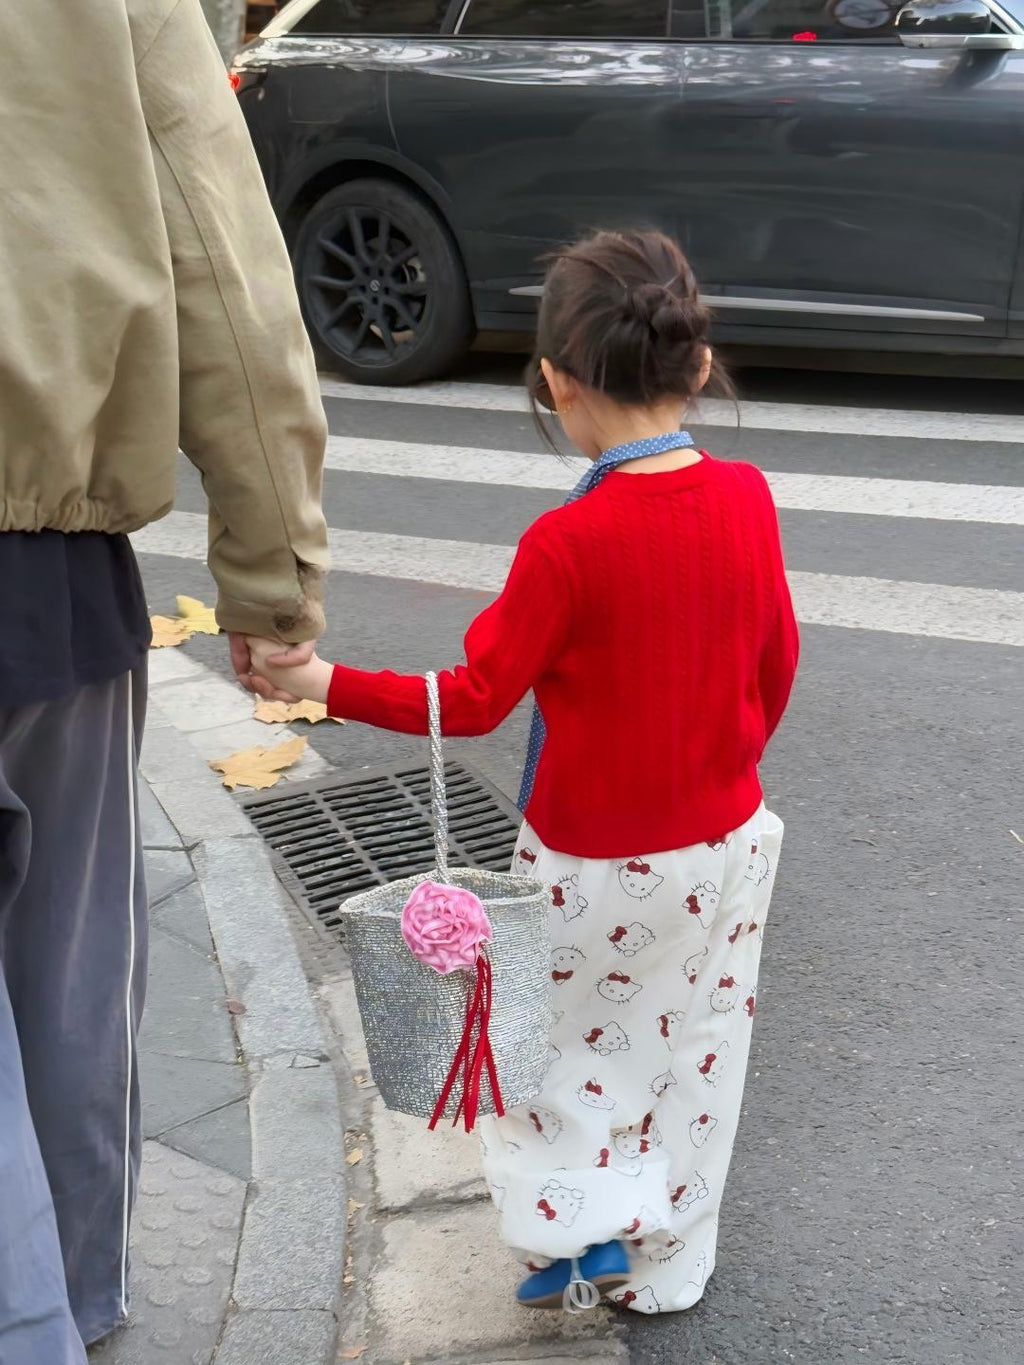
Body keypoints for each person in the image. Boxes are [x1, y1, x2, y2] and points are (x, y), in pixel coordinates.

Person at [247, 229, 799, 1316]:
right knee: (691, 1049)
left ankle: (572, 1236)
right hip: (726, 846)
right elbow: (774, 664)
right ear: (695, 365)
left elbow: (473, 698)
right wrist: (718, 767)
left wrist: (317, 679)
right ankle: (663, 1260)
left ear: (553, 378)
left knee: (559, 1056)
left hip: (592, 864)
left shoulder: (568, 542)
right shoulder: (746, 496)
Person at [0, 2, 328, 1359]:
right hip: (47, 563)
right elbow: (224, 257)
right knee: (70, 975)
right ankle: (70, 1303)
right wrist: (270, 574)